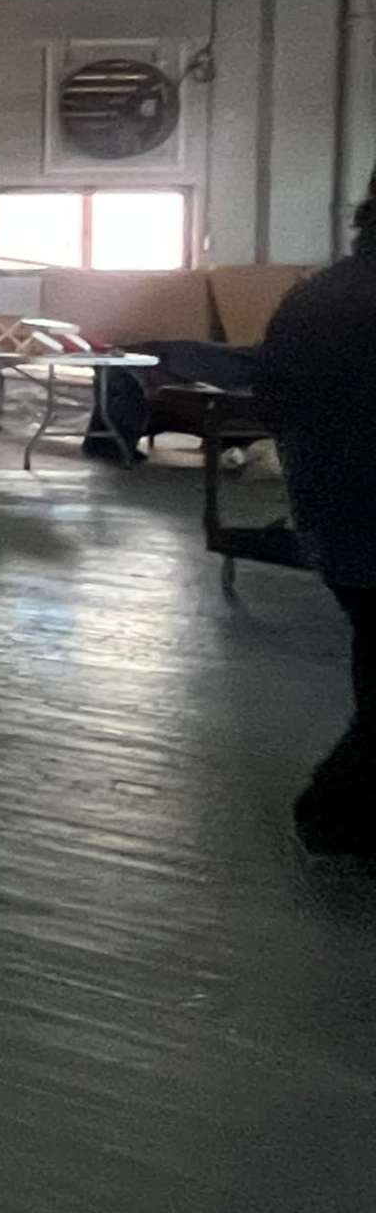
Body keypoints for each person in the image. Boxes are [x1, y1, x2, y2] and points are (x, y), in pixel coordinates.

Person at [256, 182, 376, 854]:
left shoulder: (315, 295)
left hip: (333, 518)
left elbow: (270, 400)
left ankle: (343, 816)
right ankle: (333, 814)